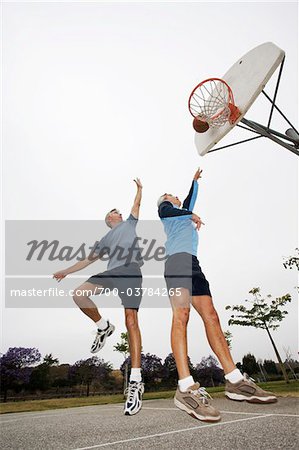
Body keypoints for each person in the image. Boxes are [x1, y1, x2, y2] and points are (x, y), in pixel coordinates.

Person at [157, 168, 277, 422]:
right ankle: (185, 386)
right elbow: (173, 208)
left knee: (211, 315)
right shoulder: (166, 212)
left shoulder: (182, 212)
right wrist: (191, 212)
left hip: (192, 264)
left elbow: (189, 200)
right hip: (175, 263)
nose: (174, 196)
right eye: (170, 194)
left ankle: (234, 380)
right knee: (182, 315)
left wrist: (194, 181)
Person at [53, 178, 144, 416]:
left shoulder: (130, 225)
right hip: (111, 273)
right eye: (115, 211)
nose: (120, 212)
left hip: (131, 272)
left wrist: (139, 190)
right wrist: (65, 270)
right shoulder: (105, 240)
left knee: (131, 321)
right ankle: (103, 326)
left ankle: (135, 381)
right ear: (109, 219)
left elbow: (136, 206)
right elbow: (87, 260)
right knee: (79, 294)